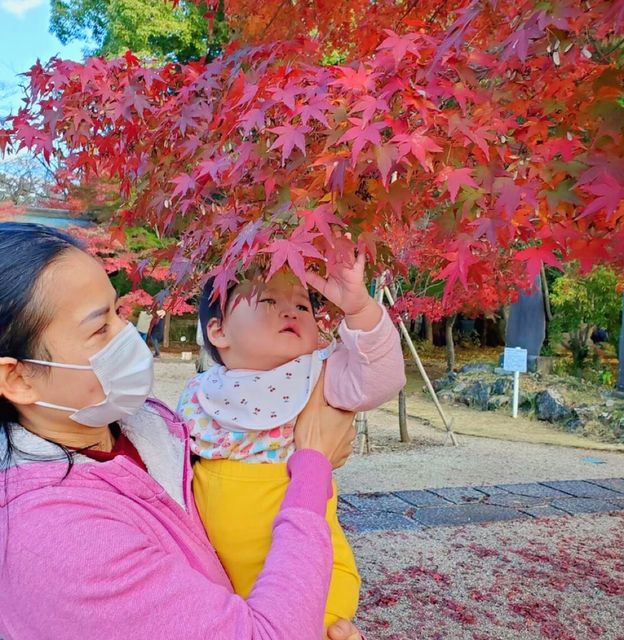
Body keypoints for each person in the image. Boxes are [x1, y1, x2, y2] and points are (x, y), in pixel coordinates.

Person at [0, 222, 364, 640]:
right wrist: (313, 464)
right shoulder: (56, 541)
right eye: (100, 329)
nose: (130, 337)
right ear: (18, 379)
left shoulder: (147, 426)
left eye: (119, 313)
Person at [177, 255, 406, 629]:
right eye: (269, 301)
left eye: (303, 304)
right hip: (221, 577)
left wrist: (359, 307)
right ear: (219, 332)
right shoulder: (200, 393)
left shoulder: (318, 378)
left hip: (306, 569)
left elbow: (382, 377)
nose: (292, 312)